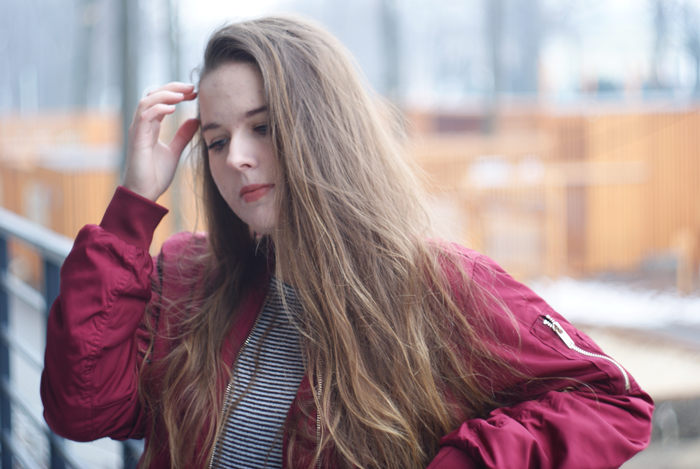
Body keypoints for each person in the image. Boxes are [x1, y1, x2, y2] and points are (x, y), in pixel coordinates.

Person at [41, 15, 653, 469]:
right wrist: (132, 209)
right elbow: (82, 409)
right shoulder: (189, 273)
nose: (237, 159)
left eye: (264, 127)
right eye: (218, 141)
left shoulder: (436, 286)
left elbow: (612, 400)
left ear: (323, 130)